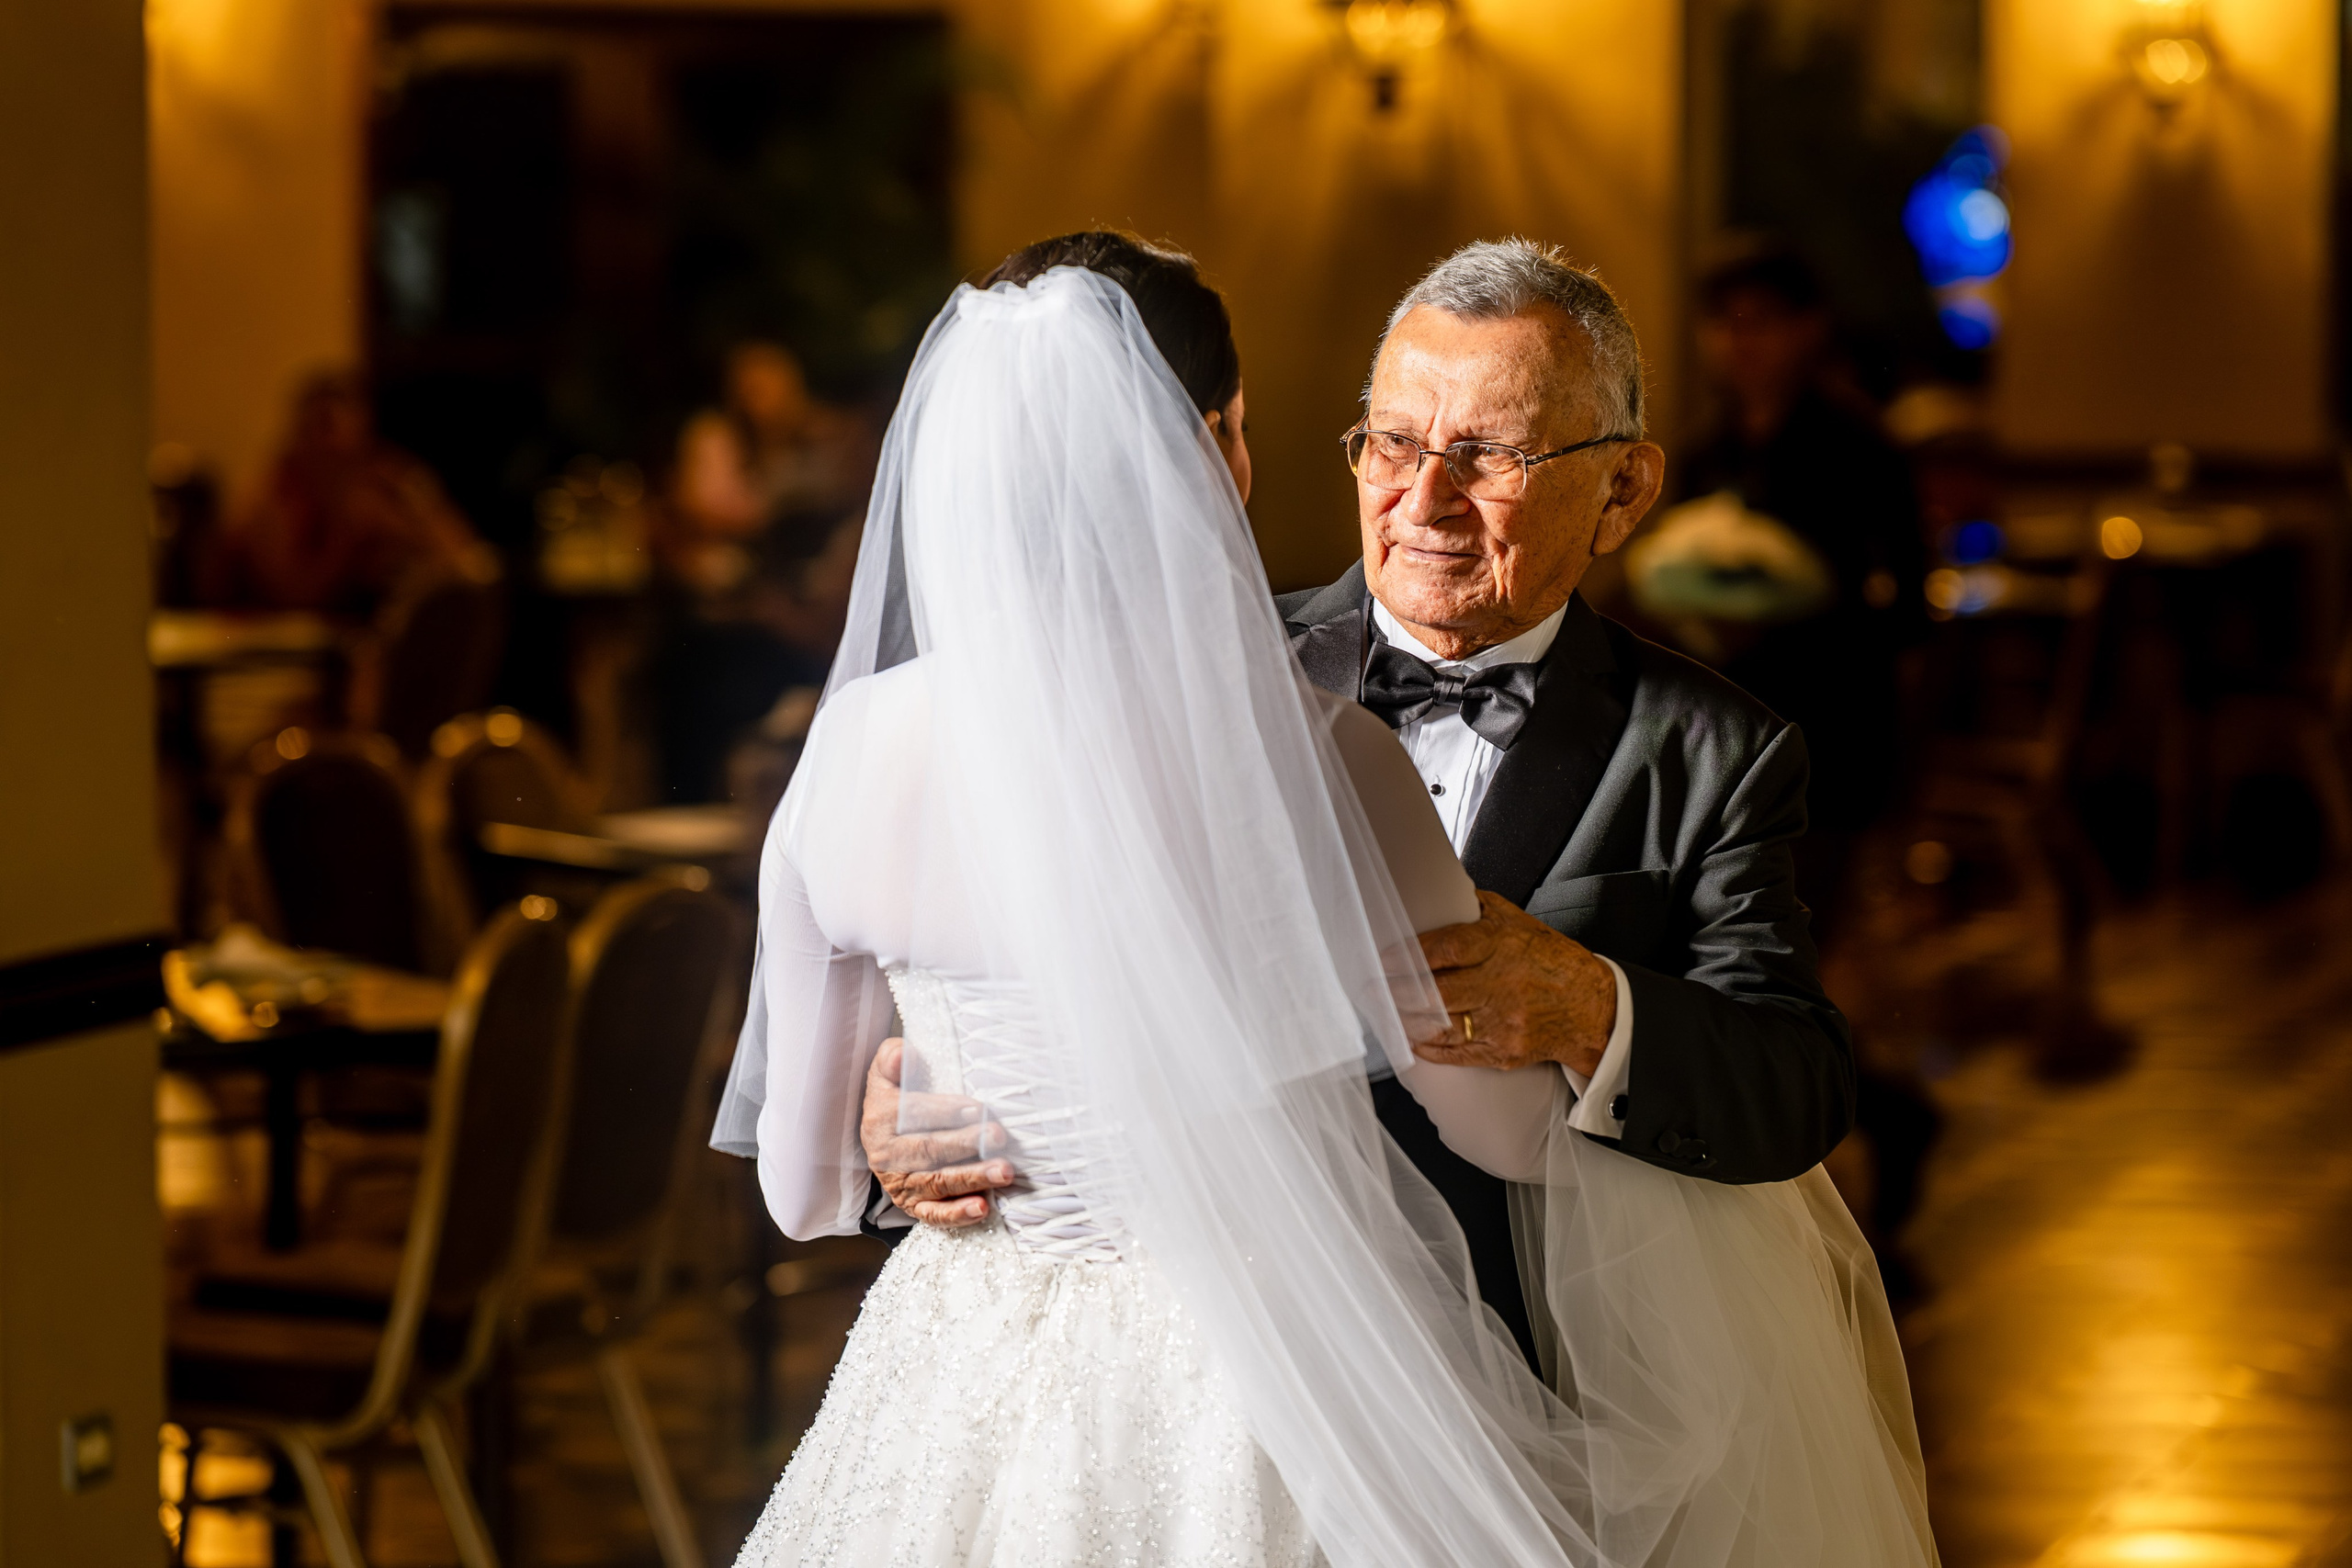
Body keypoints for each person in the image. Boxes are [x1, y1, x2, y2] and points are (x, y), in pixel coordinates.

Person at [716, 235, 1932, 1565]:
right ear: (1236, 448)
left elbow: (1797, 1078)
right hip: (1297, 1395)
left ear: (1625, 487)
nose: (1425, 497)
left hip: (1547, 1367)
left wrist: (1596, 1010)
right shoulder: (1263, 703)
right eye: (1390, 444)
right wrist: (912, 1113)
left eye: (1492, 456)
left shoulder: (1716, 750)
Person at [1680, 243, 1940, 1292]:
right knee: (1738, 970)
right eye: (1724, 322)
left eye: (1762, 320)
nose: (1742, 344)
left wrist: (1802, 612)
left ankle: (1863, 1132)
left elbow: (1908, 606)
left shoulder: (1857, 450)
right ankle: (1879, 1120)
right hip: (1720, 747)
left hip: (1825, 740)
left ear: (1807, 329)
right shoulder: (1702, 460)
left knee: (1786, 967)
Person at [219, 371, 481, 615]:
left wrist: (410, 518)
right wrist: (344, 534)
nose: (330, 447)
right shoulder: (273, 493)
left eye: (343, 427)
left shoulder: (387, 479)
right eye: (319, 427)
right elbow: (293, 598)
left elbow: (468, 563)